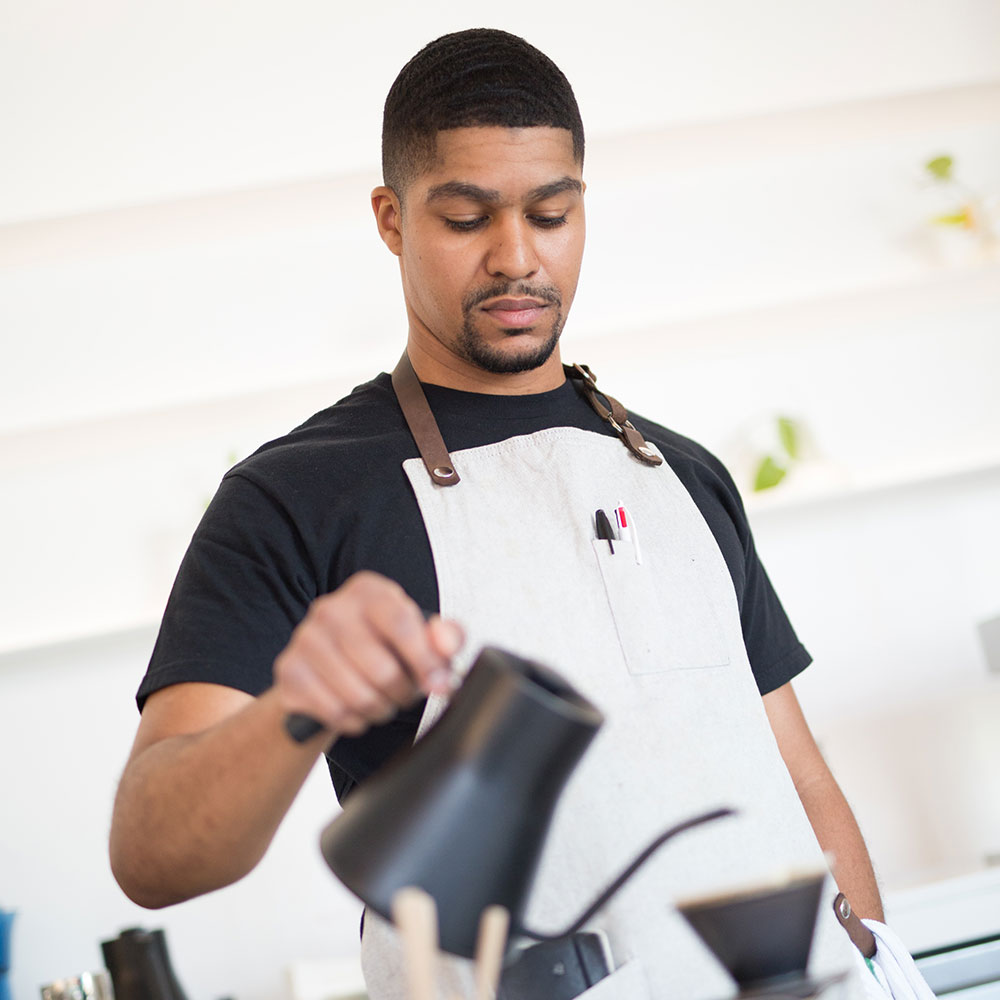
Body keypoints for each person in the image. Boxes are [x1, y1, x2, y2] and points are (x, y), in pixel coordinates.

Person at [110, 27, 885, 999]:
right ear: (390, 219)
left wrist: (876, 969)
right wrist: (293, 709)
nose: (516, 257)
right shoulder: (297, 497)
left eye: (549, 214)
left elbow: (799, 781)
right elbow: (151, 851)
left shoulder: (680, 473)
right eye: (466, 218)